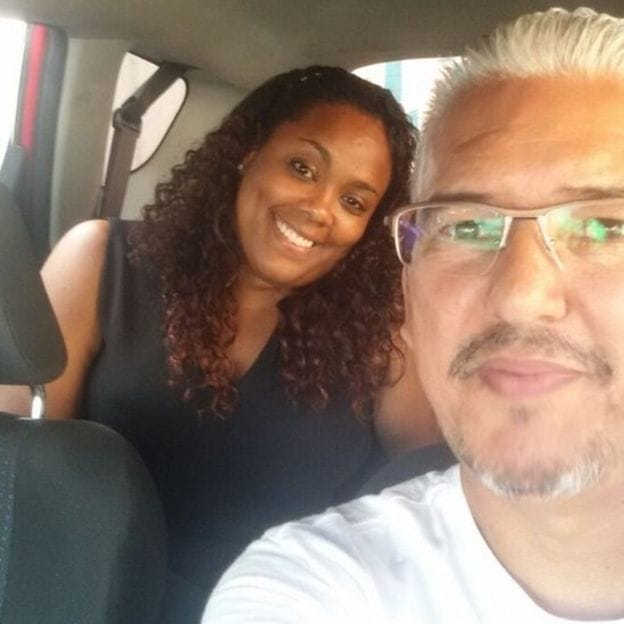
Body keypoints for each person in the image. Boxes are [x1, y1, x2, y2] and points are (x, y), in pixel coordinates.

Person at [202, 8, 624, 623]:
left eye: (606, 226)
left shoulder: (366, 344)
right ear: (410, 290)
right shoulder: (315, 584)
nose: (519, 295)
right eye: (468, 227)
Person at [0, 66, 439, 620]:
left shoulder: (382, 334)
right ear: (249, 153)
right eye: (303, 168)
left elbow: (428, 496)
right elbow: (18, 468)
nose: (320, 210)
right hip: (80, 601)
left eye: (354, 202)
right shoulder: (103, 261)